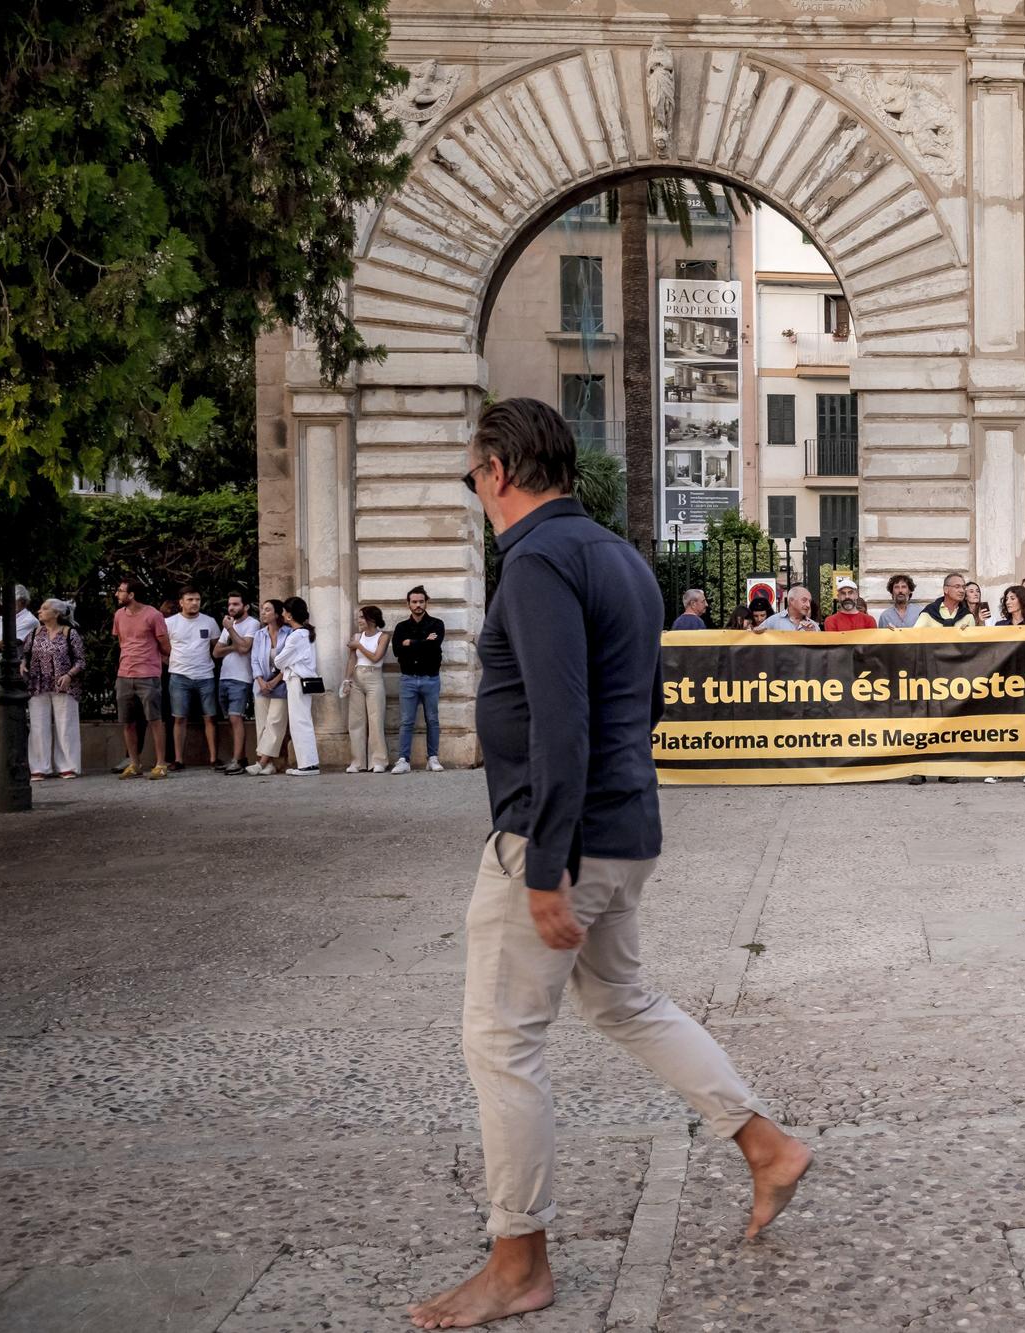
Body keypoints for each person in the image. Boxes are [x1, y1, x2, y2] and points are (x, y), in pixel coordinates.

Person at [407, 398, 810, 1331]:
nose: (474, 490)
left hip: (562, 840)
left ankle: (518, 1264)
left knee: (503, 1040)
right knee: (623, 1000)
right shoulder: (621, 556)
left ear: (499, 471)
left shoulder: (538, 558)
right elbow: (647, 702)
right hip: (626, 826)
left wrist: (544, 863)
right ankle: (767, 1144)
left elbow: (561, 718)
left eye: (473, 474)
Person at [112, 578, 171, 779]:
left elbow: (165, 646)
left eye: (120, 591)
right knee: (127, 722)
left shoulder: (153, 615)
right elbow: (122, 640)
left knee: (155, 719)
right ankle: (135, 763)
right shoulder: (119, 615)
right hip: (124, 674)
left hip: (148, 674)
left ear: (132, 595)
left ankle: (161, 763)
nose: (117, 594)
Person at [24, 598, 86, 780]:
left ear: (56, 613)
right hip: (38, 684)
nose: (39, 611)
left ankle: (68, 766)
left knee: (66, 725)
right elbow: (25, 654)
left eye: (44, 608)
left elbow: (81, 660)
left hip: (63, 684)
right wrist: (22, 664)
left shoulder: (69, 633)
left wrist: (69, 675)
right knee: (38, 726)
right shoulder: (35, 633)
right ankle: (39, 767)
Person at [163, 586, 222, 772]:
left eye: (197, 599)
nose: (194, 603)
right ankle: (178, 760)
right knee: (179, 718)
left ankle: (214, 759)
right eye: (190, 599)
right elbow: (162, 648)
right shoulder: (170, 623)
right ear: (181, 602)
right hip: (179, 676)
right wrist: (172, 662)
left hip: (205, 675)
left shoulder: (210, 622)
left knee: (210, 718)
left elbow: (216, 648)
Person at [392, 585, 447, 774]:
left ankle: (433, 758)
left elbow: (434, 648)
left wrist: (411, 643)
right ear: (408, 604)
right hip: (408, 679)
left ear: (426, 603)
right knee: (407, 721)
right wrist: (424, 642)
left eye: (421, 601)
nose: (418, 605)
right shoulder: (401, 627)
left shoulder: (437, 624)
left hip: (431, 679)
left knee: (432, 720)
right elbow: (397, 651)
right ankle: (403, 760)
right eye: (414, 602)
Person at [273, 598, 320, 776]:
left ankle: (308, 764)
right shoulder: (305, 634)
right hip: (301, 680)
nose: (283, 614)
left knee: (299, 721)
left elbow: (279, 661)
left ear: (290, 614)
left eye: (285, 611)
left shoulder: (296, 636)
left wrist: (285, 663)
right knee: (302, 720)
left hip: (297, 680)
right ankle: (308, 762)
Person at [213, 591, 258, 774]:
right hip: (225, 676)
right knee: (231, 720)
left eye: (236, 604)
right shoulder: (228, 625)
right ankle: (240, 757)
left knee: (235, 717)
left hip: (241, 677)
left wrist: (231, 631)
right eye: (230, 604)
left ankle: (237, 760)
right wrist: (233, 646)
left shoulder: (252, 624)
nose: (231, 607)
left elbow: (246, 647)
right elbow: (216, 652)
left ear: (245, 606)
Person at [344, 606, 391, 774]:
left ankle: (378, 760)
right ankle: (357, 762)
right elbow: (351, 659)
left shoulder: (383, 637)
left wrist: (359, 646)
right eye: (359, 617)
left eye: (362, 617)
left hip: (374, 678)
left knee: (375, 719)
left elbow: (376, 657)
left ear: (372, 619)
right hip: (356, 677)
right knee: (355, 721)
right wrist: (347, 680)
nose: (359, 621)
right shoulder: (357, 636)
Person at [249, 598, 292, 777]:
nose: (263, 612)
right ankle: (270, 765)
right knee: (262, 725)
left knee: (275, 723)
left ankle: (261, 762)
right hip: (261, 685)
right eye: (262, 609)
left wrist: (275, 681)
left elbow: (289, 660)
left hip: (281, 684)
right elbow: (255, 659)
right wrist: (260, 680)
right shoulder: (260, 634)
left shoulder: (289, 633)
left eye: (267, 610)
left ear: (276, 613)